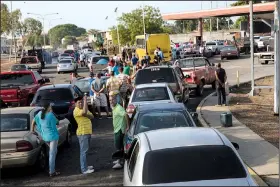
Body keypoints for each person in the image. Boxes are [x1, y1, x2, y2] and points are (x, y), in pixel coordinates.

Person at [31, 101, 60, 177]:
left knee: (53, 151)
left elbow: (33, 121)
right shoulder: (50, 115)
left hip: (45, 137)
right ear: (49, 107)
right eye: (50, 106)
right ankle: (52, 171)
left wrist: (32, 130)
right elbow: (57, 122)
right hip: (53, 137)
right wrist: (52, 112)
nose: (51, 107)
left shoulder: (39, 114)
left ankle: (51, 167)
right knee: (52, 154)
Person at [73, 96, 95, 174]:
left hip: (87, 132)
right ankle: (84, 169)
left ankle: (85, 165)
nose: (81, 103)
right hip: (82, 133)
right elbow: (85, 113)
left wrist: (86, 114)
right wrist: (85, 101)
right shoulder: (76, 110)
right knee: (83, 151)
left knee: (86, 150)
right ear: (75, 104)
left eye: (82, 102)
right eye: (79, 102)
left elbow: (92, 116)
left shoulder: (84, 108)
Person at [110, 95, 129, 169]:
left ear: (116, 100)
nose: (111, 101)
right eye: (110, 100)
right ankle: (119, 159)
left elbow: (125, 115)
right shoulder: (114, 108)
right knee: (119, 146)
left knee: (119, 146)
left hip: (120, 130)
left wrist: (127, 126)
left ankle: (119, 162)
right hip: (117, 129)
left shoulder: (118, 108)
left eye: (113, 100)